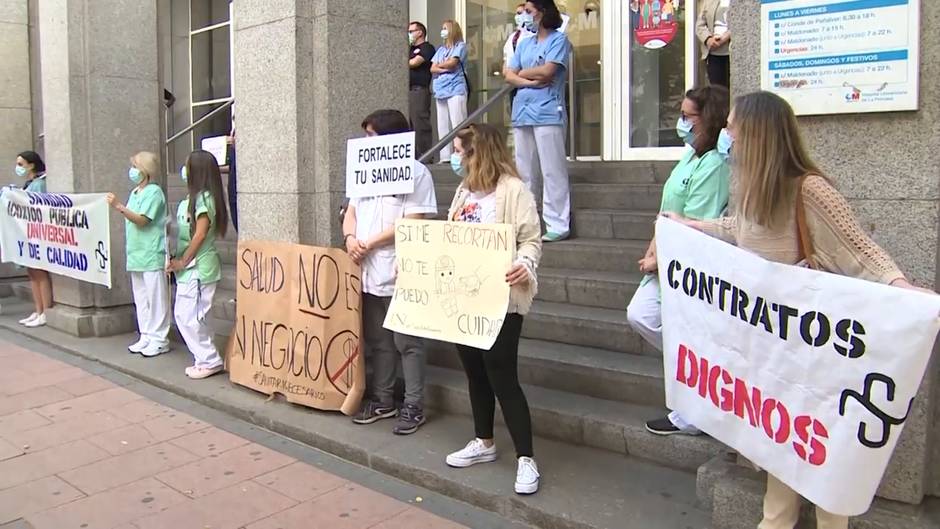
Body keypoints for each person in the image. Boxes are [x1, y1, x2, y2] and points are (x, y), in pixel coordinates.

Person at [665, 91, 934, 529]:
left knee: (825, 470)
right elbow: (738, 230)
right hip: (775, 359)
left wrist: (903, 290)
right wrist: (692, 228)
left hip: (817, 358)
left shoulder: (809, 190)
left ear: (759, 135)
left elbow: (861, 253)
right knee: (780, 455)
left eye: (734, 126)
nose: (726, 133)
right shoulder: (752, 188)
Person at [443, 123, 542, 495]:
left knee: (502, 376)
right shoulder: (463, 191)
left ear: (477, 151)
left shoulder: (514, 192)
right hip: (463, 298)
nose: (454, 157)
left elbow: (531, 239)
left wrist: (525, 264)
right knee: (474, 372)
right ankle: (483, 441)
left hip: (500, 300)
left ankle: (526, 459)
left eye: (459, 150)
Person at [628, 85, 731, 436]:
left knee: (662, 322)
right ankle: (699, 386)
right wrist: (653, 247)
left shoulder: (715, 163)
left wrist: (661, 256)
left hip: (690, 263)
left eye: (689, 116)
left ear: (710, 118)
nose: (681, 122)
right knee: (646, 317)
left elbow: (696, 221)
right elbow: (669, 207)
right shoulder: (690, 154)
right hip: (668, 255)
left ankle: (699, 401)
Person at [343, 109, 437, 435]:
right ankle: (382, 399)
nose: (368, 141)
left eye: (373, 135)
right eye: (366, 135)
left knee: (406, 340)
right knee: (378, 339)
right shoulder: (362, 171)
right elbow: (351, 211)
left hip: (399, 265)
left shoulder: (417, 173)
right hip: (366, 267)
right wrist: (351, 238)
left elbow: (412, 222)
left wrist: (369, 242)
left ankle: (413, 404)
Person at [504, 0, 572, 242]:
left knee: (552, 170)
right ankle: (526, 222)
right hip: (522, 112)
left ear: (543, 13)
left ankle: (558, 223)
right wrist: (528, 80)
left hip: (548, 112)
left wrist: (521, 73)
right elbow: (508, 74)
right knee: (524, 172)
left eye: (530, 12)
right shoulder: (524, 43)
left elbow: (548, 71)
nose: (525, 16)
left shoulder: (558, 40)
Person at [168, 150, 229, 380]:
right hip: (193, 268)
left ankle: (209, 359)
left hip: (199, 268)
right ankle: (204, 357)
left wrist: (183, 261)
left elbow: (200, 234)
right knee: (197, 316)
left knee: (188, 315)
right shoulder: (194, 199)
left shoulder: (203, 200)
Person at [106, 151, 171, 358]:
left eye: (135, 166)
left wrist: (118, 206)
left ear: (145, 170)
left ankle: (160, 339)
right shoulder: (135, 192)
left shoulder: (154, 192)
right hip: (136, 253)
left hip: (151, 252)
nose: (132, 170)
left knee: (156, 297)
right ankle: (146, 335)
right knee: (141, 298)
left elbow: (143, 220)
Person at [14, 151, 53, 328]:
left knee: (39, 272)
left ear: (31, 165)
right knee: (31, 273)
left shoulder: (39, 184)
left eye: (21, 164)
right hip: (26, 233)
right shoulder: (29, 183)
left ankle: (45, 310)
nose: (18, 168)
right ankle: (38, 309)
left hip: (37, 233)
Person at [430, 19, 469, 162]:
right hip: (440, 90)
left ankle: (462, 154)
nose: (443, 31)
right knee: (442, 124)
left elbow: (453, 64)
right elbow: (432, 68)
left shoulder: (460, 46)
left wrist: (441, 66)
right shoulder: (441, 50)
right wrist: (443, 66)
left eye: (445, 28)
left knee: (458, 123)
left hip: (455, 88)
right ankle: (445, 156)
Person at [408, 21, 436, 162]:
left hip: (419, 90)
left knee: (420, 124)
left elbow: (414, 63)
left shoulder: (427, 48)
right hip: (407, 90)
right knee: (409, 125)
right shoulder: (409, 49)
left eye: (411, 31)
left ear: (420, 32)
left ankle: (425, 157)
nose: (409, 34)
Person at [696, 0, 731, 88]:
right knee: (717, 91)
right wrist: (708, 39)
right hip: (713, 53)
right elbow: (700, 25)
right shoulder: (709, 1)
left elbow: (742, 23)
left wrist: (723, 39)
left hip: (731, 51)